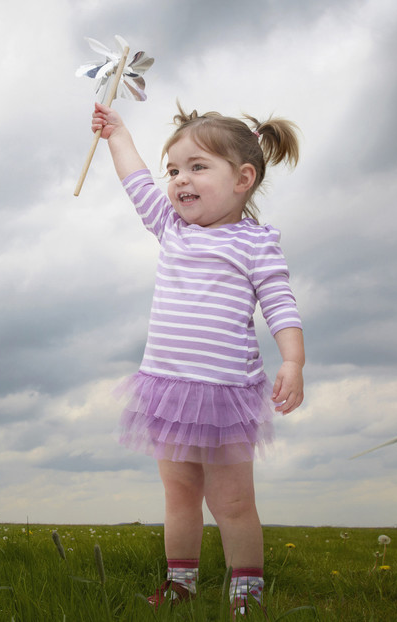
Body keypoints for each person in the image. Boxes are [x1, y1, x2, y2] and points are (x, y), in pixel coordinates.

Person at [91, 100, 305, 617]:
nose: (179, 180)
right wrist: (116, 132)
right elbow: (136, 180)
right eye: (174, 170)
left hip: (226, 392)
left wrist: (293, 360)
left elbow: (279, 301)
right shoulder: (171, 227)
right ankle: (180, 585)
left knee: (231, 502)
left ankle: (246, 595)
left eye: (197, 167)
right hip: (168, 387)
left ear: (243, 178)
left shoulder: (255, 243)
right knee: (180, 494)